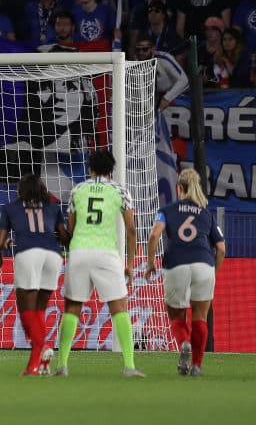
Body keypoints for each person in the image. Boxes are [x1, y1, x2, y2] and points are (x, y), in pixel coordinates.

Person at [54, 149, 144, 378]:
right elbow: (131, 229)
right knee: (119, 307)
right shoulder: (120, 191)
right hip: (106, 253)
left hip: (79, 252)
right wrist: (130, 264)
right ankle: (129, 366)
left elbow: (72, 228)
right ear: (111, 170)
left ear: (90, 169)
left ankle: (62, 365)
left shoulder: (77, 190)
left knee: (72, 308)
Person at [145, 169, 226, 377]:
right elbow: (221, 248)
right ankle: (197, 365)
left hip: (176, 264)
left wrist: (150, 263)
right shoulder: (206, 214)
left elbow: (154, 235)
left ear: (179, 188)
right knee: (200, 316)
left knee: (176, 314)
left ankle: (183, 343)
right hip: (204, 264)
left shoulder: (167, 210)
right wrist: (213, 270)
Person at [0, 174, 70, 376]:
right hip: (53, 257)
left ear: (21, 191)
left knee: (26, 312)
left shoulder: (10, 207)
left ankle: (42, 349)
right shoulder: (53, 207)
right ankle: (36, 363)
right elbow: (64, 237)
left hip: (28, 254)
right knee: (39, 311)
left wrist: (1, 249)